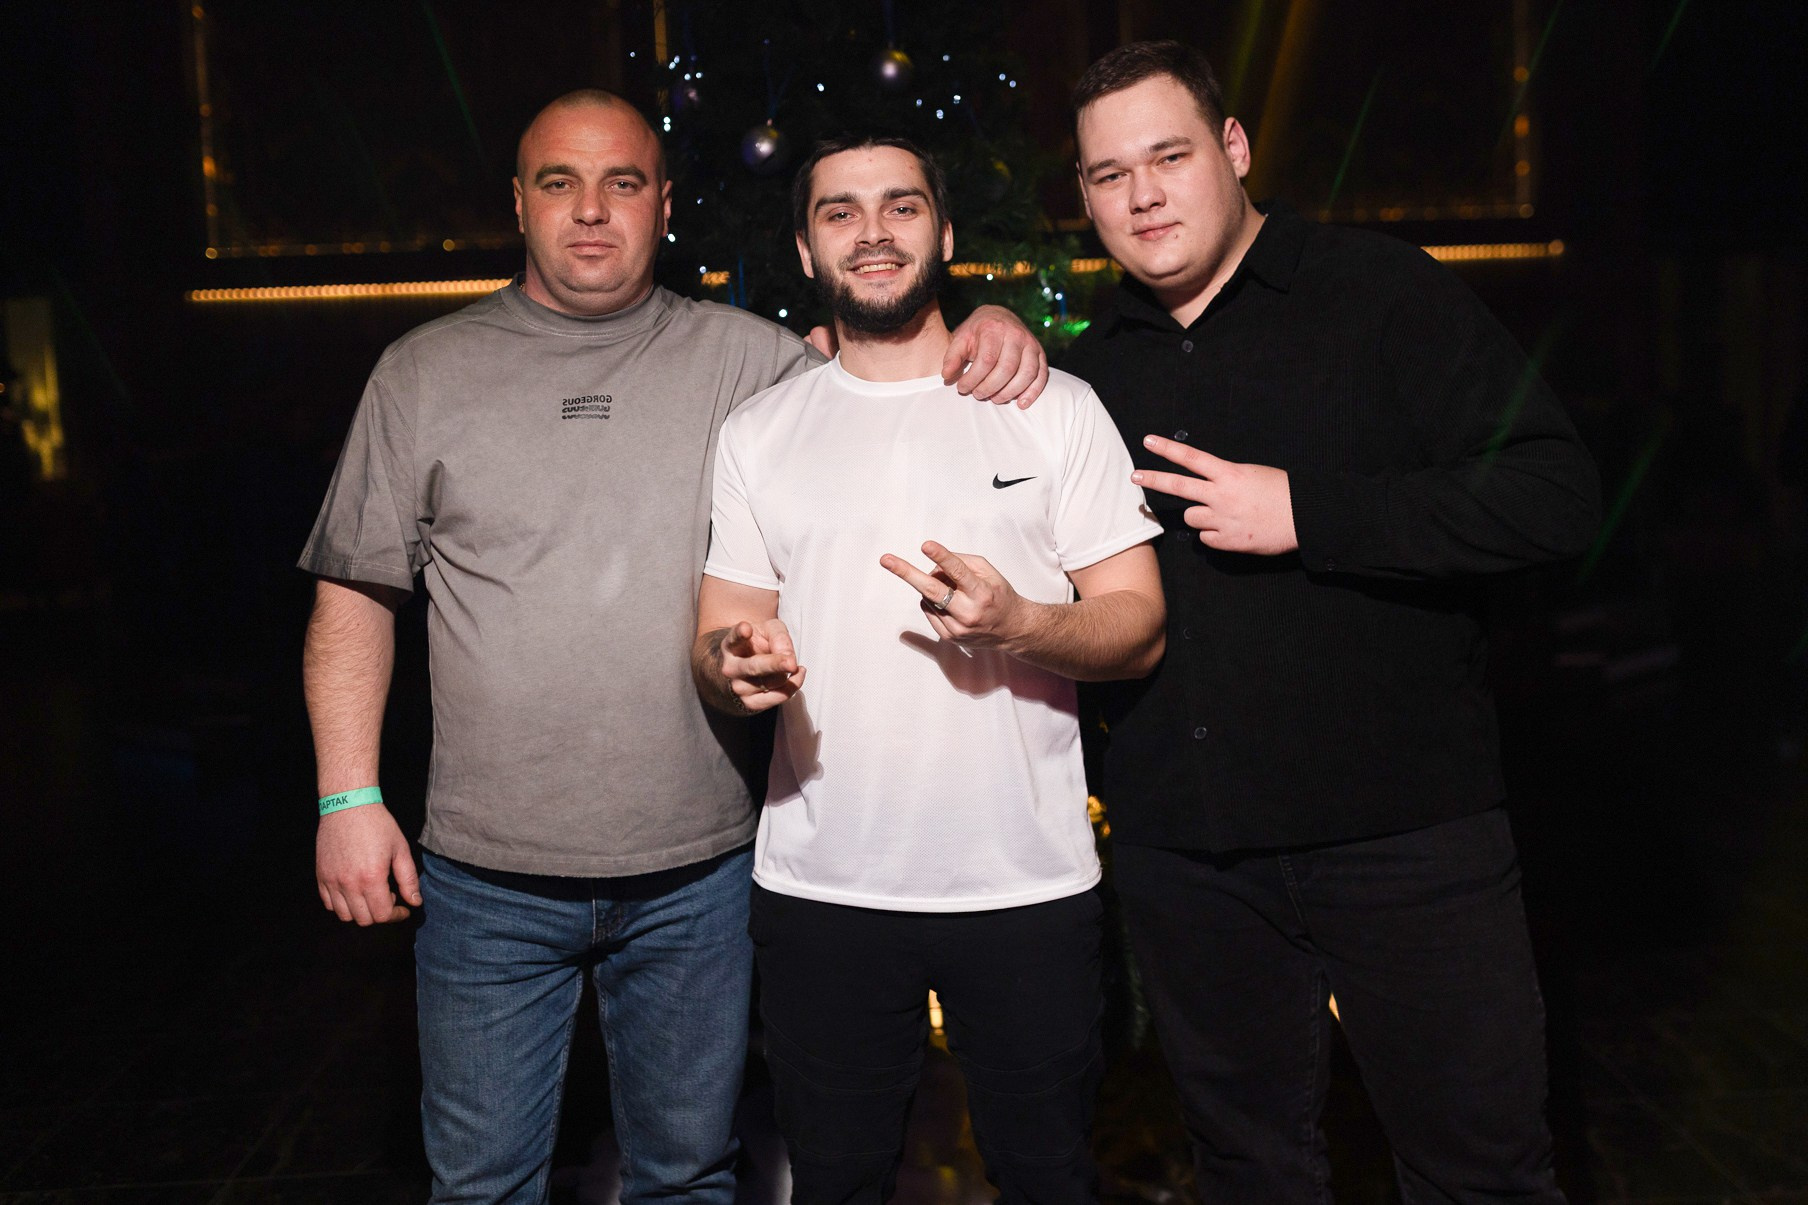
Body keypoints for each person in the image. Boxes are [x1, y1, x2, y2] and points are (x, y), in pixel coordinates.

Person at [298, 89, 1048, 1205]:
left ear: (663, 205)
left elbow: (890, 372)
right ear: (518, 204)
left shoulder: (755, 364)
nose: (590, 210)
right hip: (486, 880)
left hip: (700, 873)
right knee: (480, 1185)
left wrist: (991, 321)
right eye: (559, 183)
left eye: (623, 183)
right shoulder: (422, 373)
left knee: (688, 1177)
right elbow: (355, 595)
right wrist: (346, 797)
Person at [1061, 41, 1601, 1204]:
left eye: (1168, 155)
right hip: (1191, 859)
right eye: (1109, 174)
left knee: (1478, 1174)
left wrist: (1310, 512)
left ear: (1233, 148)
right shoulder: (1082, 373)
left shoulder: (1380, 292)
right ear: (1086, 197)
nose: (1142, 193)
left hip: (1404, 840)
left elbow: (1553, 493)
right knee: (1248, 1173)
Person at [691, 134, 1166, 1205]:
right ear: (805, 248)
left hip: (1026, 884)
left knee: (1048, 1177)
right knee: (835, 1180)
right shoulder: (759, 431)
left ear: (945, 234)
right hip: (822, 888)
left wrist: (1019, 623)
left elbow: (1137, 625)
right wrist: (737, 662)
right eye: (840, 212)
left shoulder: (1052, 406)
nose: (872, 233)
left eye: (900, 207)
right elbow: (719, 633)